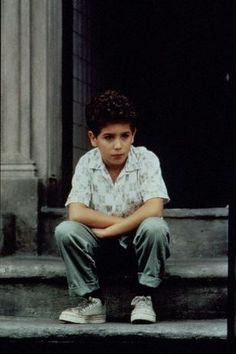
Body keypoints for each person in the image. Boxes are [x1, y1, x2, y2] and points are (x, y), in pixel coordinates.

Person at [55, 89, 170, 324]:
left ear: (133, 135)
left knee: (155, 227)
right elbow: (76, 212)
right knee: (65, 230)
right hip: (100, 249)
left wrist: (109, 230)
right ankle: (93, 301)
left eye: (124, 136)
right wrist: (127, 224)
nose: (118, 145)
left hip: (137, 248)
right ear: (93, 138)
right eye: (109, 137)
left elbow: (155, 208)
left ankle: (144, 296)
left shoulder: (146, 159)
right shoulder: (87, 163)